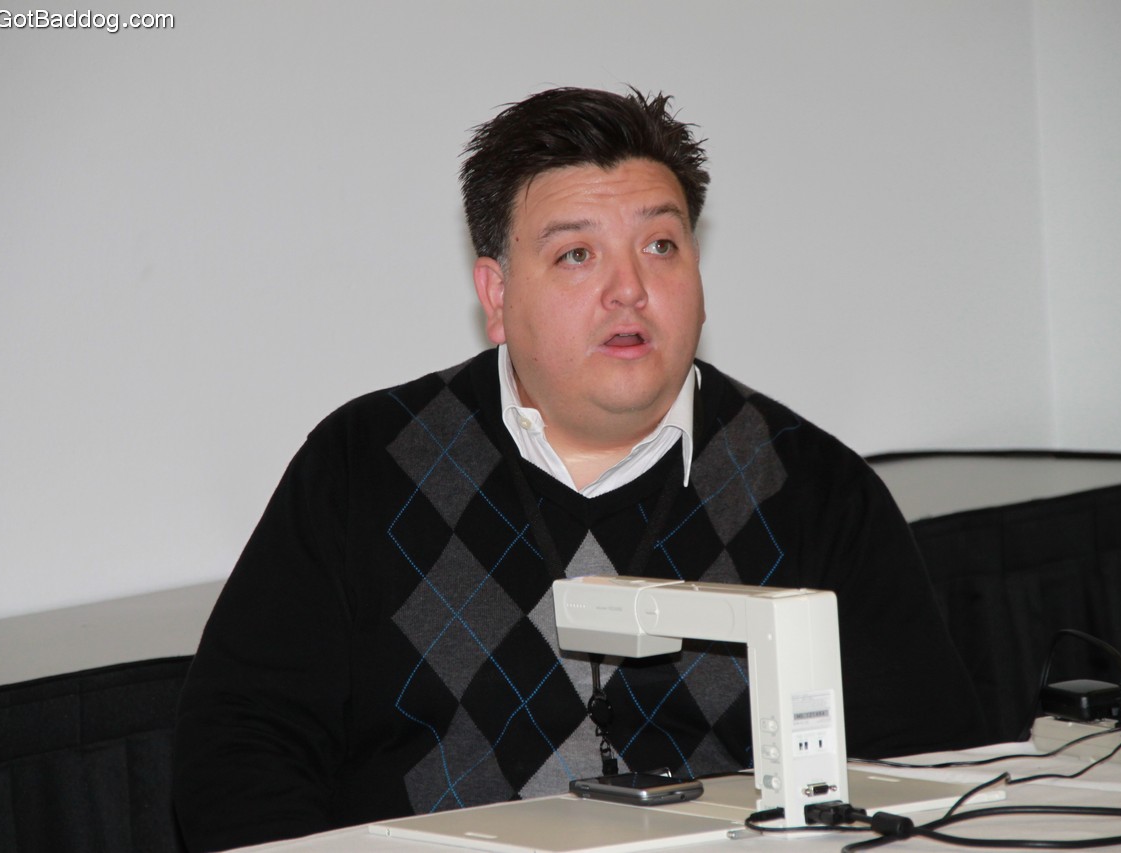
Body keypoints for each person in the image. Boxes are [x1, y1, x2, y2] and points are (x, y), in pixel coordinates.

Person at [173, 86, 987, 852]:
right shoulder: (367, 464)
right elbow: (240, 753)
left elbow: (924, 768)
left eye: (661, 245)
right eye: (576, 255)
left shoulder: (811, 487)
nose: (629, 289)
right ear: (496, 294)